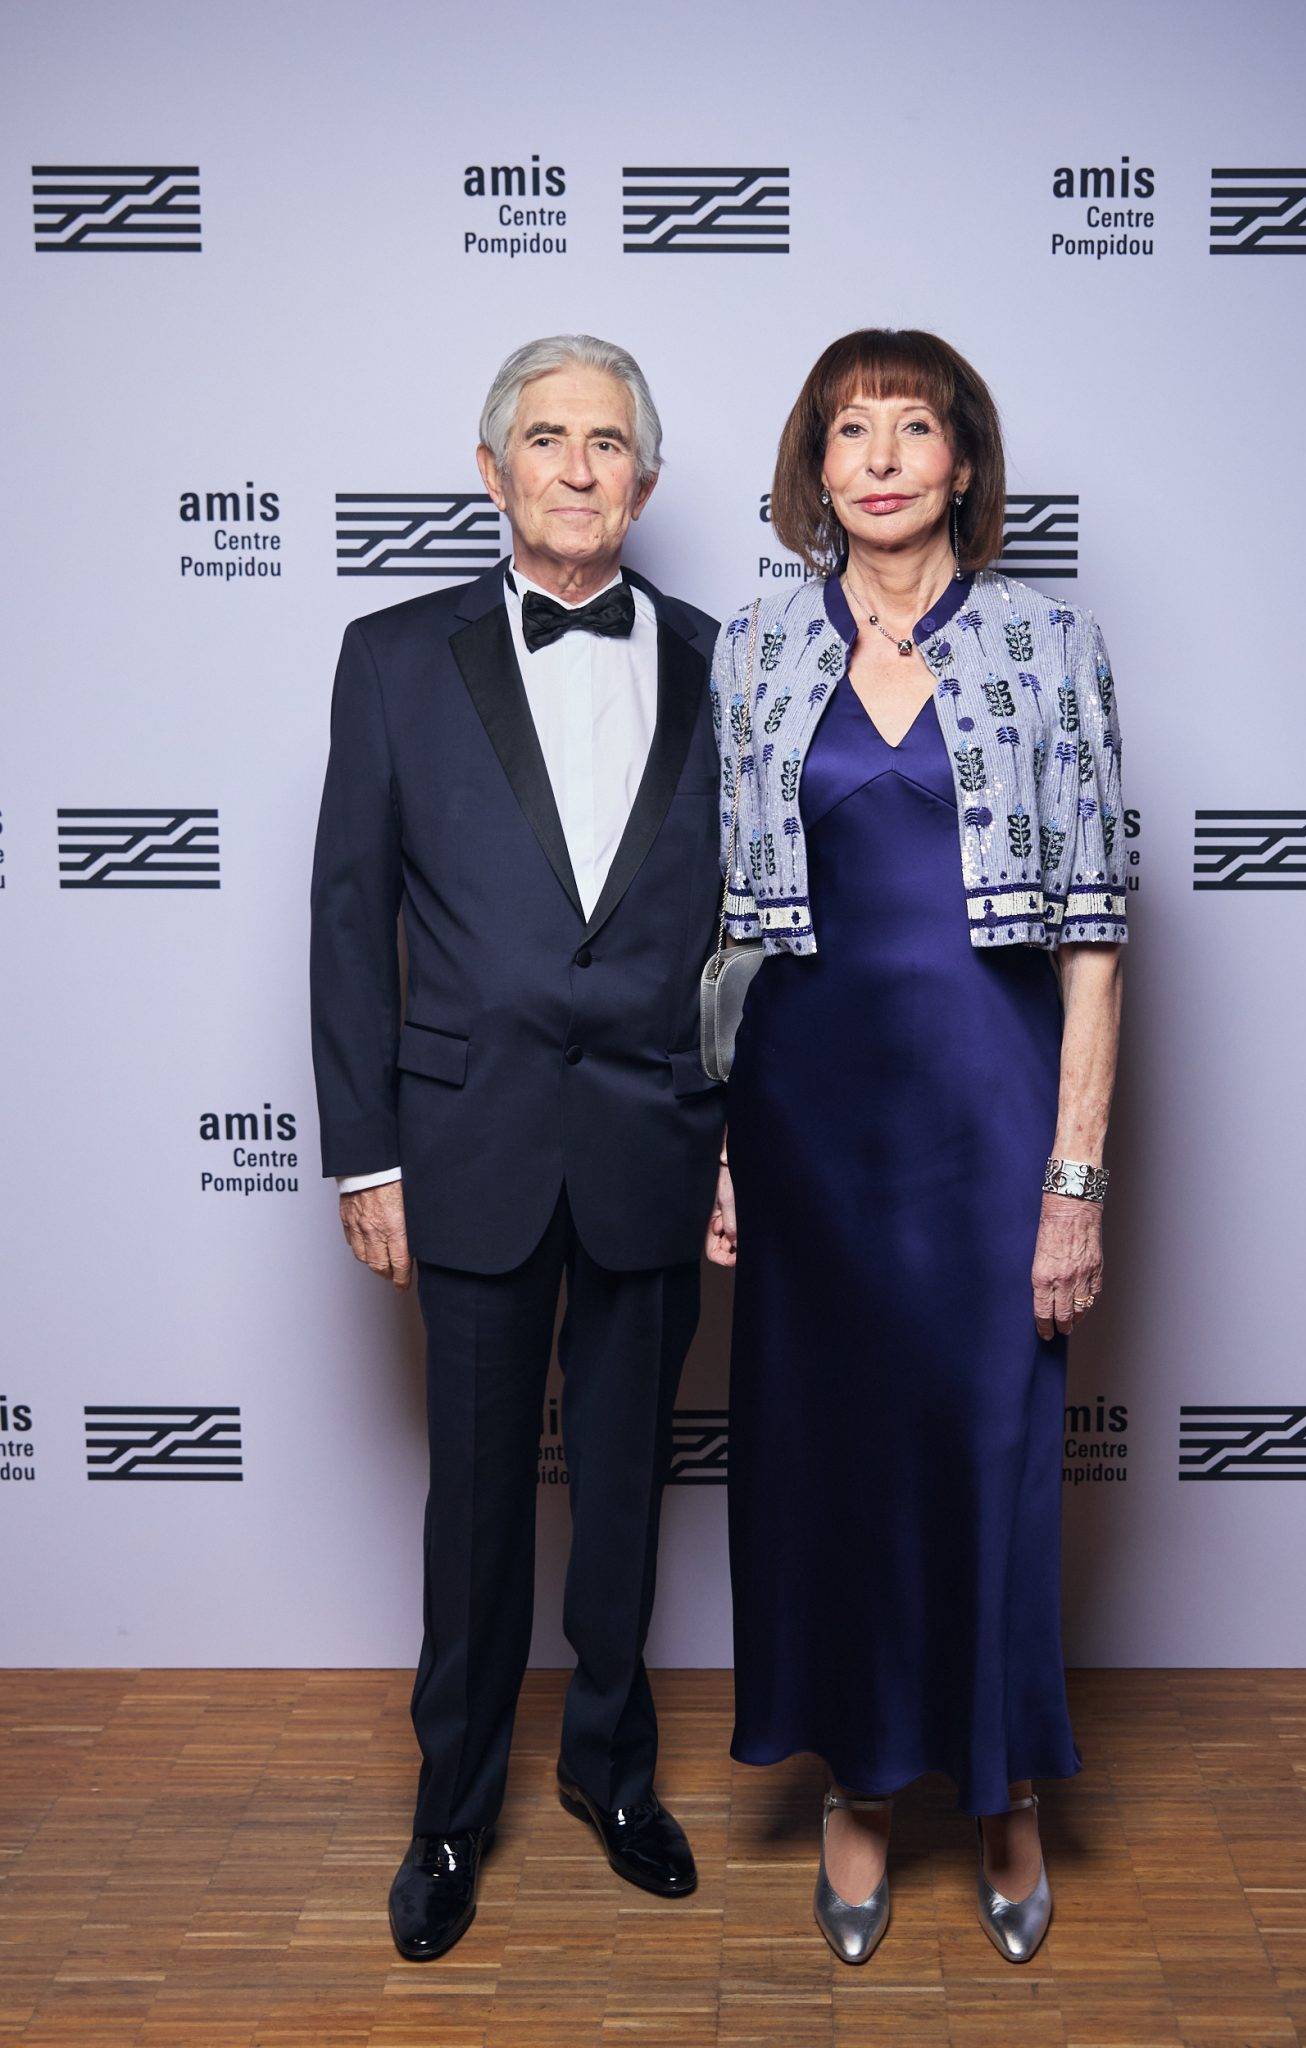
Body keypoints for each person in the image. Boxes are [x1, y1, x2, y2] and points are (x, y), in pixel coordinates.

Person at [705, 328, 1128, 1967]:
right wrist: (732, 1152)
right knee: (826, 1460)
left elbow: (1092, 937)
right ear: (813, 468)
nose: (878, 457)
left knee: (993, 1452)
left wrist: (1072, 1177)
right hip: (805, 1114)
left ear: (963, 459)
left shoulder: (1046, 640)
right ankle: (859, 1791)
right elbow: (733, 935)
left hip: (986, 1110)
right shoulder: (751, 648)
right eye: (846, 430)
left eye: (913, 427)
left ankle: (1003, 1785)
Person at [309, 334, 725, 1961]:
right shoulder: (392, 655)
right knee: (474, 1508)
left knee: (621, 1494)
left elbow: (756, 939)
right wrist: (365, 1156)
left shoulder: (716, 658)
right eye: (543, 437)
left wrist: (741, 1144)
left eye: (605, 440)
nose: (574, 464)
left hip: (653, 1141)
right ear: (492, 472)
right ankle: (449, 1813)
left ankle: (615, 1777)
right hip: (465, 1142)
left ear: (645, 478)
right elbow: (350, 919)